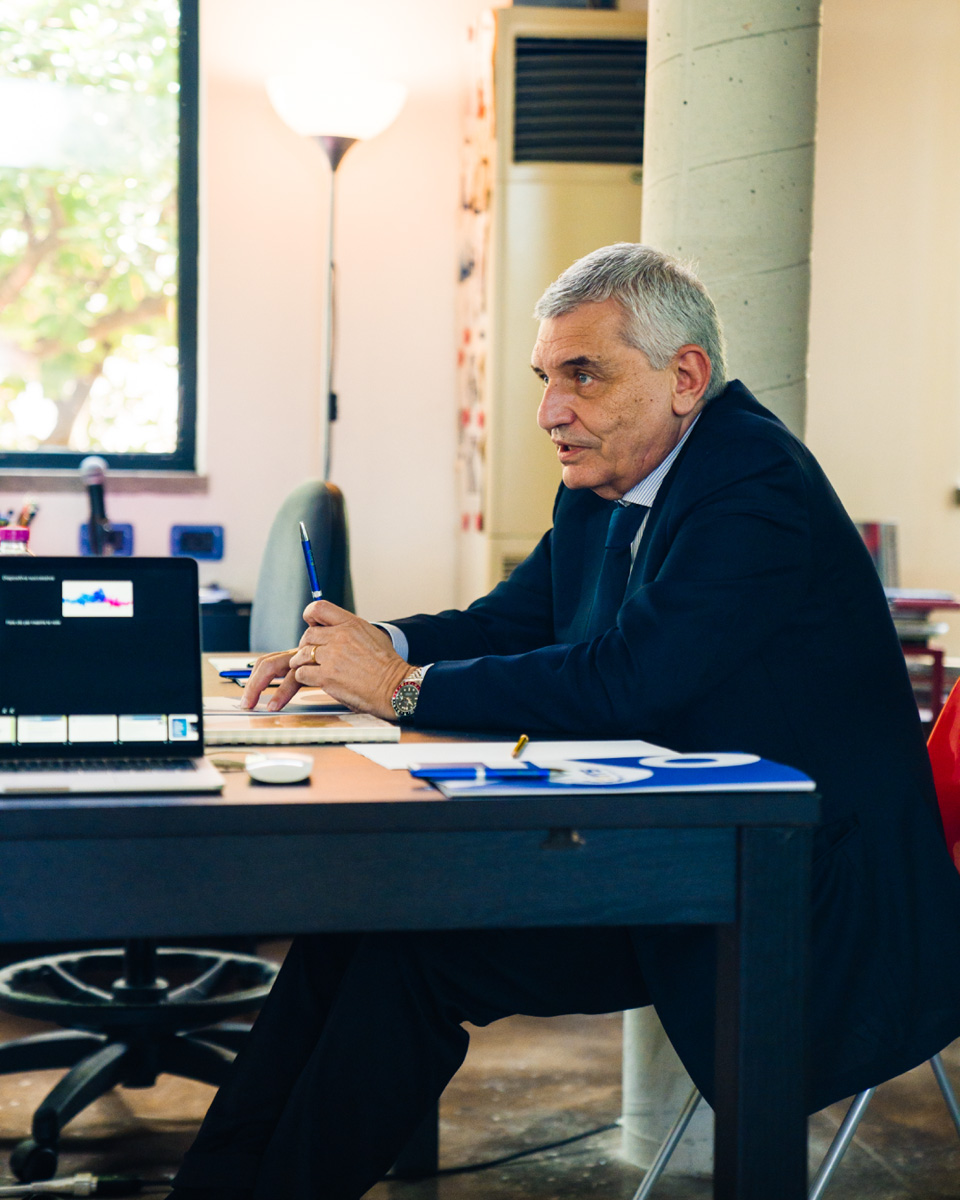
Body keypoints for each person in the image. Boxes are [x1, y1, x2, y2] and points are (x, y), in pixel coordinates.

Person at [169, 244, 960, 1200]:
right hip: (675, 841)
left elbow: (629, 682)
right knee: (362, 915)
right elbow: (508, 622)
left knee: (413, 954)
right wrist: (366, 646)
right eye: (546, 378)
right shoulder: (606, 482)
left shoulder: (755, 485)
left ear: (685, 377)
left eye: (583, 374)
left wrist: (403, 690)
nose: (550, 411)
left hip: (793, 885)